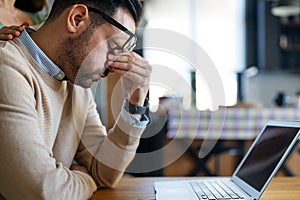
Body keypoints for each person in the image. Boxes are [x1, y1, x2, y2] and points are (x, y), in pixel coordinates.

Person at [0, 0, 151, 199]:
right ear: (76, 19)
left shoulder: (76, 83)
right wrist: (85, 178)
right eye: (113, 47)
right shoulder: (7, 66)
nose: (113, 67)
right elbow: (41, 191)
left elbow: (103, 172)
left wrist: (135, 103)